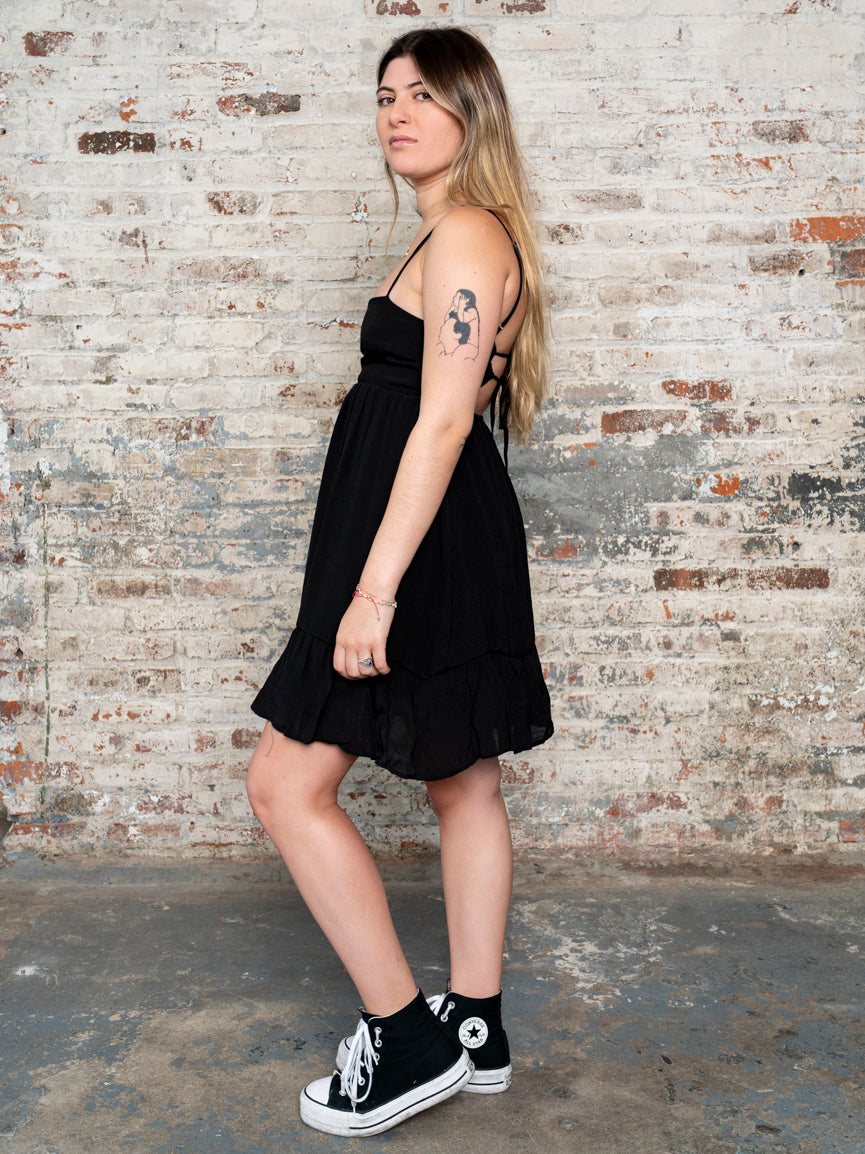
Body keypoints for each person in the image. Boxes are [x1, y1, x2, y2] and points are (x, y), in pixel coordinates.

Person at [246, 25, 554, 1138]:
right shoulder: (439, 235)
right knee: (462, 780)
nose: (395, 112)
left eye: (422, 93)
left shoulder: (467, 231)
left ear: (473, 111)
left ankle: (407, 1036)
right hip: (430, 533)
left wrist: (371, 589)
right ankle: (473, 1025)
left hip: (415, 546)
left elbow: (436, 419)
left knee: (284, 785)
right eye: (384, 95)